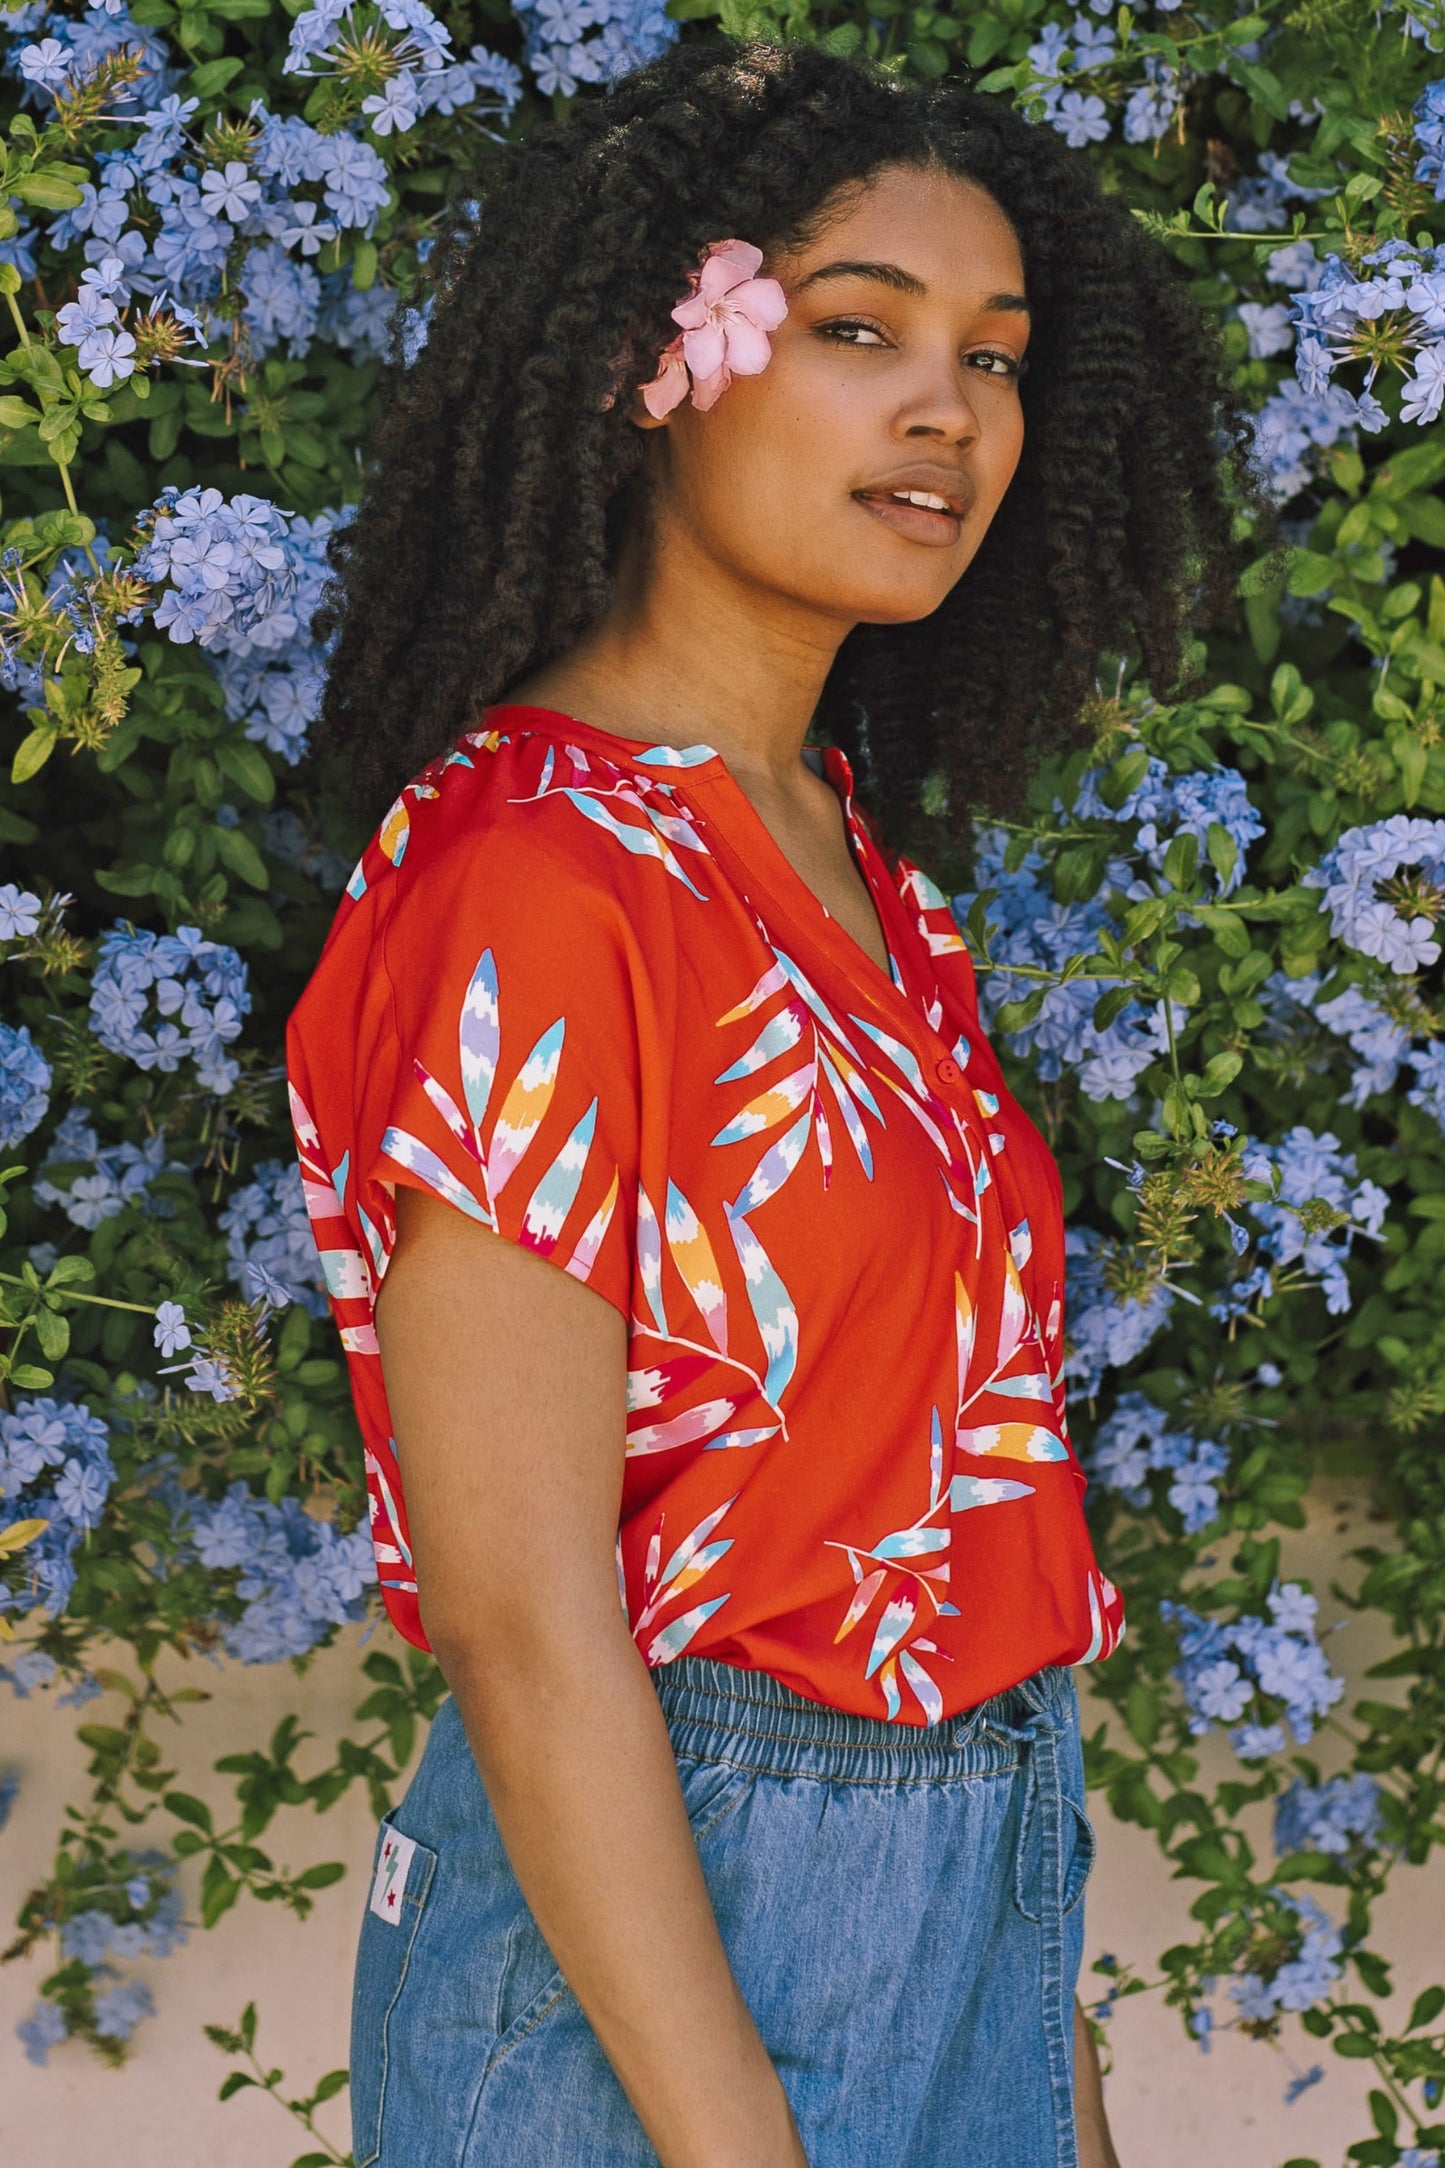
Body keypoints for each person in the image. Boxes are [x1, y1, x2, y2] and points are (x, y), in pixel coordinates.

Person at [286, 35, 1271, 2168]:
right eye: (857, 330)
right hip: (654, 1979)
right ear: (661, 365)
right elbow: (525, 1621)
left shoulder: (860, 880)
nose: (949, 410)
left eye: (993, 357)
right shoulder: (536, 884)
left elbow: (958, 1538)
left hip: (968, 1877)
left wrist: (1051, 2083)